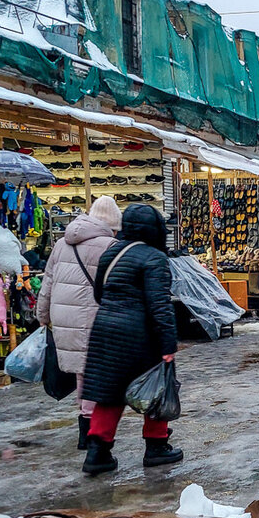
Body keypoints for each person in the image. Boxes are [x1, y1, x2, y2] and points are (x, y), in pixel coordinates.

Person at [80, 204, 182, 475]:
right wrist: (168, 345)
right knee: (157, 387)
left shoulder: (112, 252)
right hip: (140, 332)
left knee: (109, 392)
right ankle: (156, 447)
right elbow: (159, 304)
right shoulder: (155, 257)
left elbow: (99, 293)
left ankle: (97, 453)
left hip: (105, 328)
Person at [35, 195, 121, 450]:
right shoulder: (110, 246)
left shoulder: (63, 243)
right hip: (93, 318)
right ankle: (90, 434)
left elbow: (47, 282)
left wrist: (42, 316)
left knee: (82, 373)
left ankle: (86, 429)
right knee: (92, 376)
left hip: (64, 318)